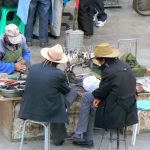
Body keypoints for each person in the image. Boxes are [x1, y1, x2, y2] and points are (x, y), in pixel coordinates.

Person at [70, 43, 138, 148]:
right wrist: (98, 97)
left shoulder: (109, 71)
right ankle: (85, 135)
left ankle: (81, 133)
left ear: (103, 60)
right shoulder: (124, 65)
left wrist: (97, 97)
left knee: (87, 97)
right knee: (91, 102)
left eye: (98, 60)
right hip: (129, 106)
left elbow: (102, 91)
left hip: (116, 108)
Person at [18, 44, 77, 146]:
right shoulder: (59, 74)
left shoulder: (33, 68)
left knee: (54, 98)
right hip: (46, 112)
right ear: (58, 61)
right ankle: (59, 136)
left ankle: (60, 131)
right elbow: (66, 90)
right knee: (71, 93)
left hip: (27, 110)